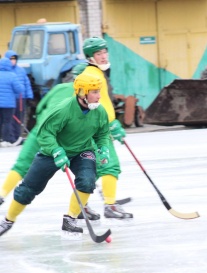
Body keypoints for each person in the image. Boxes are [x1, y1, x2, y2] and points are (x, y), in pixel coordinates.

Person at [0, 63, 129, 220]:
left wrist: (103, 147)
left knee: (23, 166)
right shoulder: (73, 103)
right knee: (96, 172)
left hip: (47, 133)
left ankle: (2, 195)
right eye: (95, 91)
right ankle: (94, 204)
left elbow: (41, 107)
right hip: (52, 137)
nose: (99, 95)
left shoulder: (64, 90)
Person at [82, 36, 133, 219]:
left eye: (104, 52)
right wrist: (110, 123)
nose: (103, 56)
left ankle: (81, 206)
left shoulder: (96, 73)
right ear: (90, 57)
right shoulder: (93, 75)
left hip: (95, 129)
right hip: (98, 130)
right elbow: (97, 103)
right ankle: (109, 206)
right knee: (109, 166)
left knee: (92, 170)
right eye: (98, 53)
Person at [4, 50, 33, 145]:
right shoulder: (7, 72)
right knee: (11, 118)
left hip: (21, 98)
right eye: (11, 59)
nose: (13, 61)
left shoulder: (21, 70)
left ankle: (17, 136)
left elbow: (26, 83)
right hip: (10, 99)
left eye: (14, 59)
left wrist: (29, 95)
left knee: (19, 118)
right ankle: (11, 137)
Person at [0, 57, 23, 147]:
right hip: (8, 104)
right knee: (7, 121)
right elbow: (19, 89)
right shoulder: (12, 75)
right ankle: (5, 140)